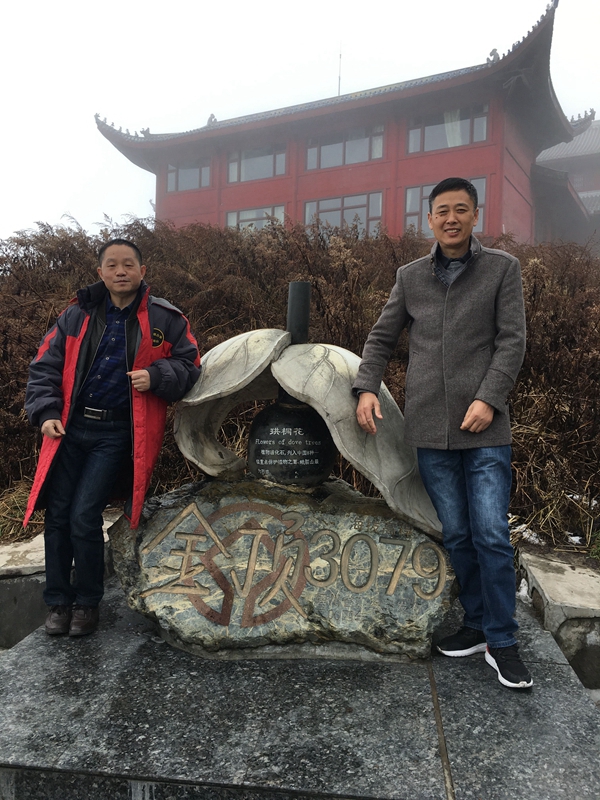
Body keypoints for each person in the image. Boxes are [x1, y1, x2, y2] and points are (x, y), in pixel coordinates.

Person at [353, 177, 532, 689]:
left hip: (485, 427)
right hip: (430, 427)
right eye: (442, 211)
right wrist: (366, 388)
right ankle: (475, 623)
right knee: (456, 534)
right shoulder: (410, 276)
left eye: (460, 209)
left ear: (475, 215)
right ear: (429, 219)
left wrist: (489, 398)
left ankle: (503, 640)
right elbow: (381, 338)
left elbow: (512, 341)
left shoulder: (502, 268)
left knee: (491, 534)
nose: (451, 218)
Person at [24, 238, 201, 637]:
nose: (121, 271)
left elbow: (190, 365)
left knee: (84, 515)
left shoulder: (165, 318)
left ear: (142, 271)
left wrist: (156, 376)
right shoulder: (77, 315)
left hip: (117, 433)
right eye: (112, 265)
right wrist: (46, 412)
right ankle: (58, 602)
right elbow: (45, 365)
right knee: (58, 515)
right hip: (69, 428)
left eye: (128, 264)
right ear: (100, 272)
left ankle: (87, 603)